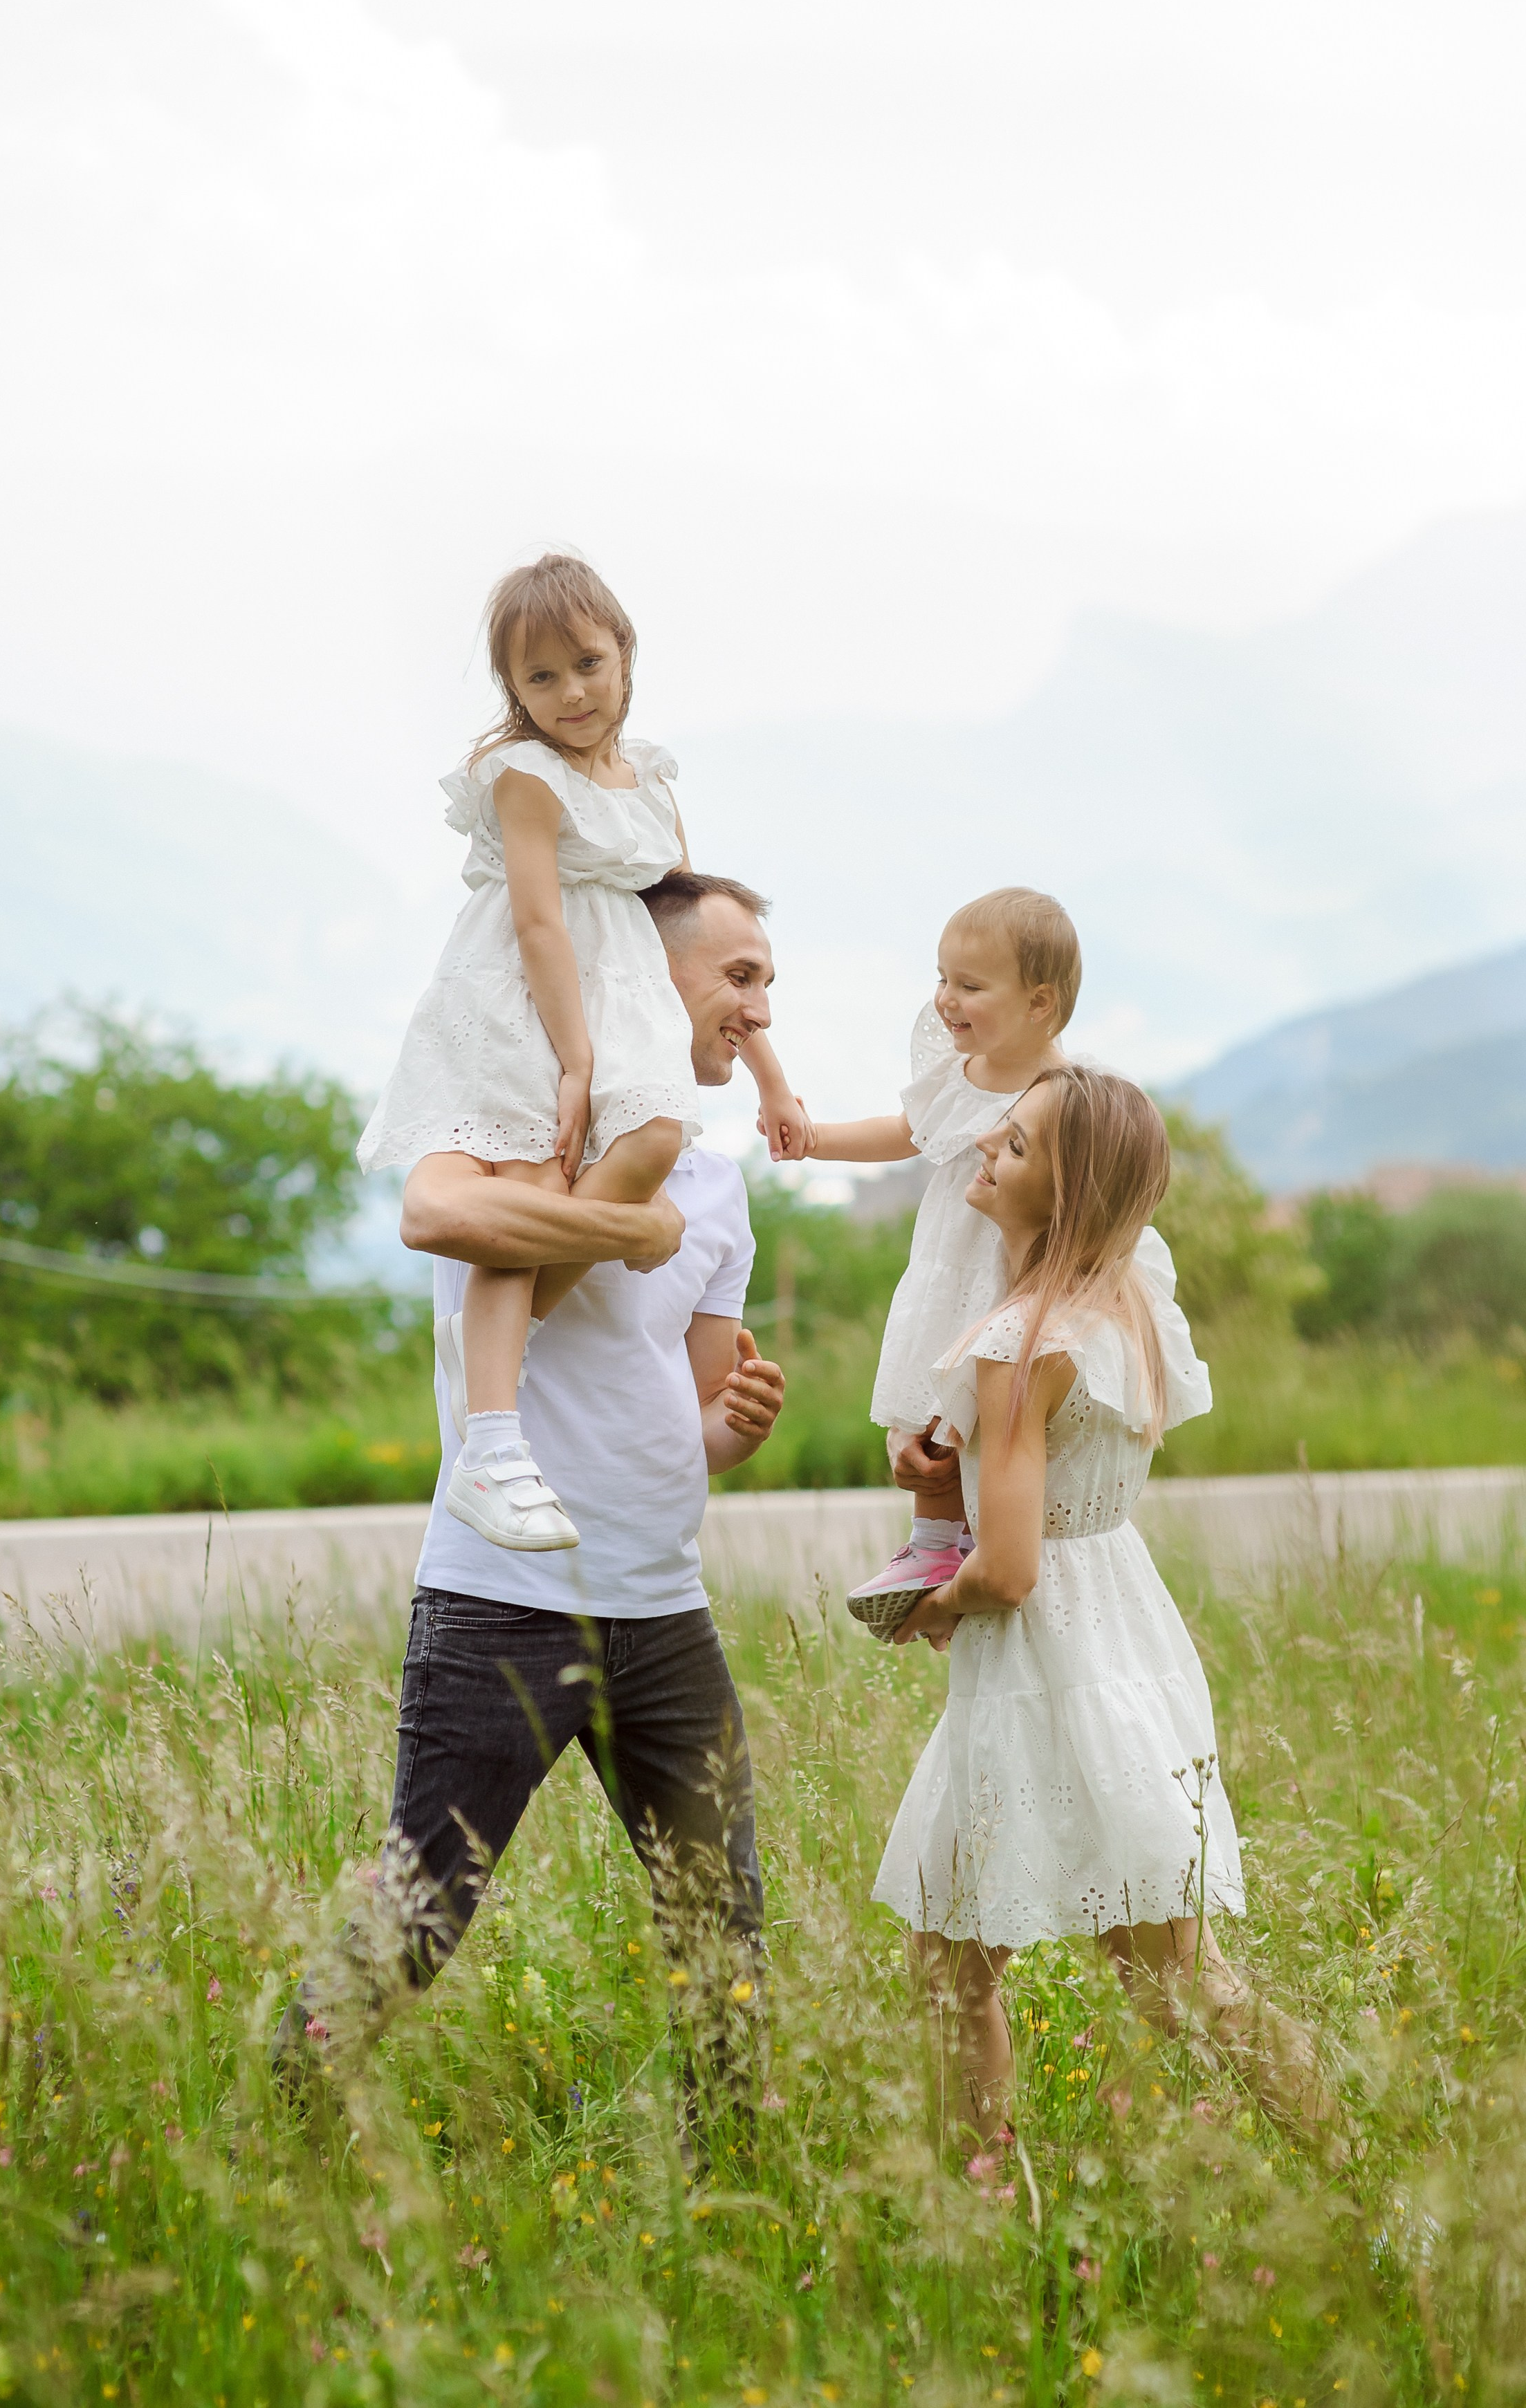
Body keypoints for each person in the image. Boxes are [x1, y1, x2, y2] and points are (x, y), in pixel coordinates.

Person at [277, 872, 788, 2099]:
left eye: (767, 982)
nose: (759, 1012)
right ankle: (270, 2131)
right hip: (503, 1600)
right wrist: (621, 1225)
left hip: (662, 1610)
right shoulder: (518, 1127)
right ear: (638, 975)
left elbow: (696, 1417)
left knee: (723, 1939)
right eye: (739, 977)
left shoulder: (717, 1187)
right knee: (420, 1916)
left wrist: (737, 1427)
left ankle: (733, 2204)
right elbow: (427, 1209)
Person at [871, 1066, 1330, 2152]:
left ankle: (1356, 2175)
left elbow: (1013, 1568)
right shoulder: (1130, 1304)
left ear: (1067, 1194)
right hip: (1121, 1631)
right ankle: (978, 2203)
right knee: (985, 1962)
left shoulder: (1018, 1342)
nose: (986, 1149)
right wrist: (946, 1486)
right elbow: (1068, 1488)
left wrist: (927, 1604)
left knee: (1165, 1984)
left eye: (1017, 1146)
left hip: (1047, 1659)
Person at [357, 555, 805, 1553]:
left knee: (650, 1139)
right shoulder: (524, 777)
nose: (570, 693)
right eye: (539, 678)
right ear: (511, 692)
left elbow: (685, 913)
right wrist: (571, 1062)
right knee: (535, 1168)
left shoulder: (651, 777)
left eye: (587, 664)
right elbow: (537, 923)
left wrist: (769, 1073)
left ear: (625, 654)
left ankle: (498, 1348)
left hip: (623, 999)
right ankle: (491, 1437)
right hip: (532, 1002)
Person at [774, 887, 1081, 1633]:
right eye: (941, 977)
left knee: (985, 1405)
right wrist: (814, 1138)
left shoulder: (1059, 1096)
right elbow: (908, 1130)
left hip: (1009, 1271)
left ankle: (977, 1535)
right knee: (928, 1386)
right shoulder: (957, 1071)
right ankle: (932, 1542)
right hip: (948, 1261)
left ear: (1040, 1003)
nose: (946, 999)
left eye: (970, 986)